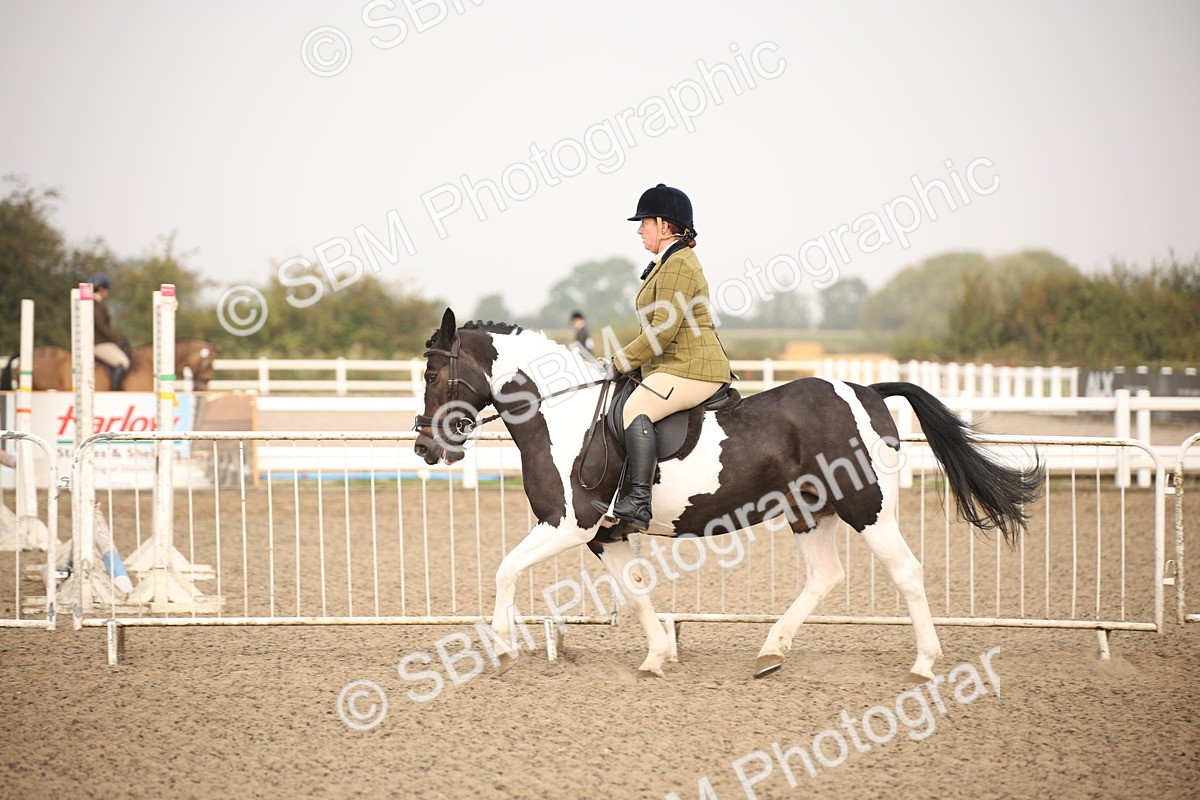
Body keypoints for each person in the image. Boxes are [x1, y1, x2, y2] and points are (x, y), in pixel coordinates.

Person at [592, 184, 733, 531]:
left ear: (664, 226)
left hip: (693, 367)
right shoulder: (667, 262)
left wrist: (618, 362)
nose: (640, 230)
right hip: (674, 365)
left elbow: (662, 332)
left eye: (645, 223)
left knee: (636, 408)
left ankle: (639, 500)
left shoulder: (679, 265)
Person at [91, 273, 130, 390]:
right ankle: (114, 391)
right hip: (99, 344)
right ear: (102, 289)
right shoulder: (96, 305)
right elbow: (102, 326)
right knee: (123, 362)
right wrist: (118, 339)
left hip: (100, 342)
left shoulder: (95, 304)